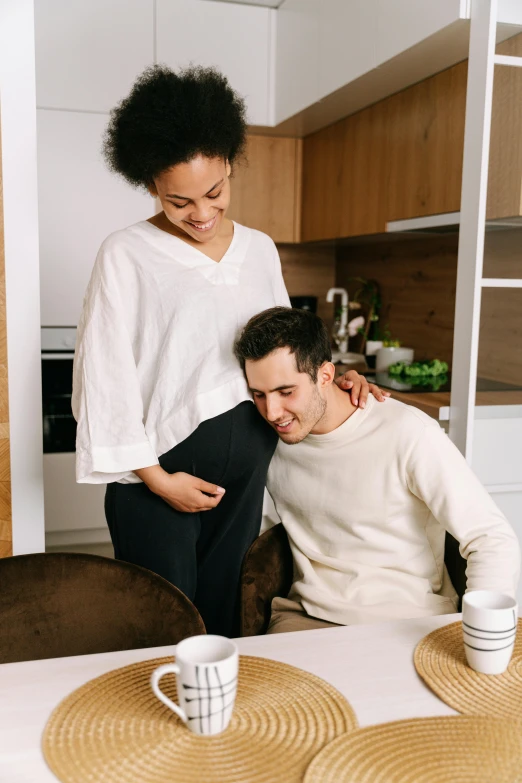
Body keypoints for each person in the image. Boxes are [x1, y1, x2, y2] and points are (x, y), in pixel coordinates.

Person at [71, 65, 387, 638]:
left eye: (214, 191)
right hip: (158, 477)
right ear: (150, 185)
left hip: (245, 477)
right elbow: (104, 375)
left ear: (230, 164)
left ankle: (223, 729)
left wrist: (333, 378)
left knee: (227, 621)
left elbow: (285, 345)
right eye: (178, 200)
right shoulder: (125, 254)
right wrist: (157, 479)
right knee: (159, 623)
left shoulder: (259, 249)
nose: (200, 212)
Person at [234, 307, 521, 634]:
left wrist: (480, 635)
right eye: (259, 394)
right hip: (306, 618)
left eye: (286, 392)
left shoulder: (407, 432)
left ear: (326, 376)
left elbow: (491, 538)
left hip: (409, 619)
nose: (272, 412)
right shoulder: (266, 441)